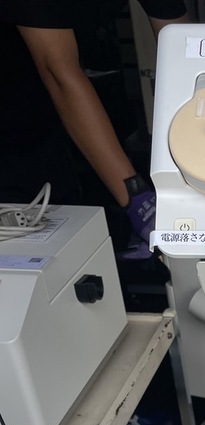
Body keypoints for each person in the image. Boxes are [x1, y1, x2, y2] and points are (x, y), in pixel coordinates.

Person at [0, 1, 188, 251]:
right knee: (31, 240)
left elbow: (184, 46)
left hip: (46, 107)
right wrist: (137, 200)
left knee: (66, 224)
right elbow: (59, 74)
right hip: (14, 119)